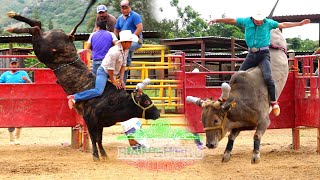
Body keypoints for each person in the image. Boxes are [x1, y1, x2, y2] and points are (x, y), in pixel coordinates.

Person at [207, 12, 311, 117]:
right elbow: (231, 20)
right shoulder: (246, 21)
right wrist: (216, 20)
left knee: (268, 77)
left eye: (261, 19)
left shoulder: (268, 23)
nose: (259, 21)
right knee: (237, 75)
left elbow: (283, 25)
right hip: (251, 54)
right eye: (257, 20)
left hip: (263, 54)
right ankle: (226, 97)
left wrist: (299, 24)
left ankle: (274, 102)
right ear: (252, 18)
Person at [67, 30, 138, 109]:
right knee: (98, 90)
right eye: (129, 42)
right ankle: (74, 97)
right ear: (124, 42)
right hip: (104, 71)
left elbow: (123, 65)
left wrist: (121, 79)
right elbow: (110, 69)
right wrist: (114, 81)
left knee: (118, 90)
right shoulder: (114, 52)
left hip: (112, 72)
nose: (131, 44)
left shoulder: (126, 50)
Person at [0, 58, 32, 145]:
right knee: (10, 117)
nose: (14, 65)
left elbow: (31, 85)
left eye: (15, 63)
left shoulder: (23, 73)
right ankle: (11, 139)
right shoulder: (5, 74)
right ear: (10, 65)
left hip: (20, 98)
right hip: (8, 98)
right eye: (12, 63)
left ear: (18, 64)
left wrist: (27, 80)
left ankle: (17, 138)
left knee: (19, 116)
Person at [114, 0, 143, 83]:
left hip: (135, 40)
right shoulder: (120, 18)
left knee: (125, 49)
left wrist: (131, 37)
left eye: (126, 7)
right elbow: (116, 29)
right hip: (124, 41)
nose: (124, 10)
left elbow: (140, 28)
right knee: (124, 55)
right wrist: (115, 40)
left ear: (130, 7)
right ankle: (122, 79)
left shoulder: (135, 16)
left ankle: (124, 65)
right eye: (122, 8)